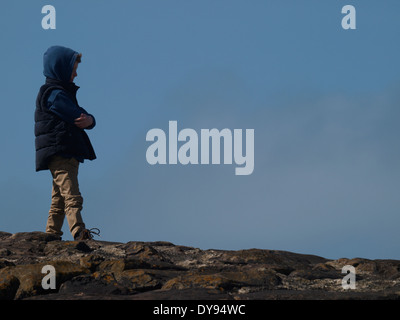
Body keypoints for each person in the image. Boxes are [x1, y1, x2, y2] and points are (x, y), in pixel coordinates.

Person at [35, 45, 99, 240]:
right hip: (61, 151)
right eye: (73, 70)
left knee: (59, 197)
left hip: (62, 151)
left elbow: (81, 115)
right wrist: (88, 119)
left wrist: (90, 119)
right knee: (71, 194)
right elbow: (76, 115)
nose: (76, 74)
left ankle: (52, 233)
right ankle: (79, 231)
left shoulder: (59, 93)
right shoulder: (55, 95)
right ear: (61, 69)